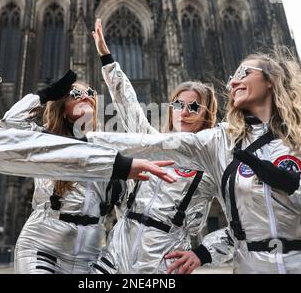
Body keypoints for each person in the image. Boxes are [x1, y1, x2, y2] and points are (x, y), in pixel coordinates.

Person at [86, 49, 301, 273]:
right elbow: (146, 139)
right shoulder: (220, 144)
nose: (233, 82)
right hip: (248, 265)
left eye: (243, 73)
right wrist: (78, 141)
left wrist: (297, 183)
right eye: (178, 106)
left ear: (272, 80)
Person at [0, 45, 175, 263]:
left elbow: (132, 208)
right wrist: (42, 96)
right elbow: (12, 142)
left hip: (89, 252)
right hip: (42, 247)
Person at [88, 18, 232, 274]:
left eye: (194, 106)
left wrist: (204, 252)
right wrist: (106, 57)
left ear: (206, 113)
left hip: (163, 262)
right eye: (178, 105)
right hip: (116, 253)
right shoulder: (154, 143)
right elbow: (127, 104)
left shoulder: (214, 162)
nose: (184, 111)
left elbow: (246, 218)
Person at [0, 72, 152, 274]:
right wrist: (46, 94)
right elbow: (11, 122)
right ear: (62, 109)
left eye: (90, 93)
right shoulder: (45, 141)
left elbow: (129, 212)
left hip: (90, 256)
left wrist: (114, 258)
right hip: (42, 247)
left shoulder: (110, 151)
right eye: (75, 94)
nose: (86, 96)